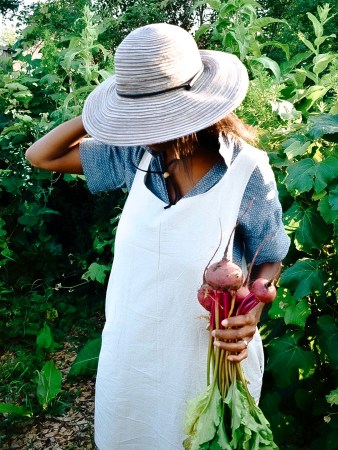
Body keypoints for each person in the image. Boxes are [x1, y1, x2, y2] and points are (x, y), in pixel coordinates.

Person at [26, 23, 290, 450]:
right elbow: (41, 156)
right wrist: (106, 111)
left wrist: (255, 309)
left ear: (194, 106)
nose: (141, 128)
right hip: (133, 357)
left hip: (207, 363)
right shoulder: (133, 156)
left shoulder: (246, 170)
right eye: (134, 116)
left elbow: (272, 255)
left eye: (151, 115)